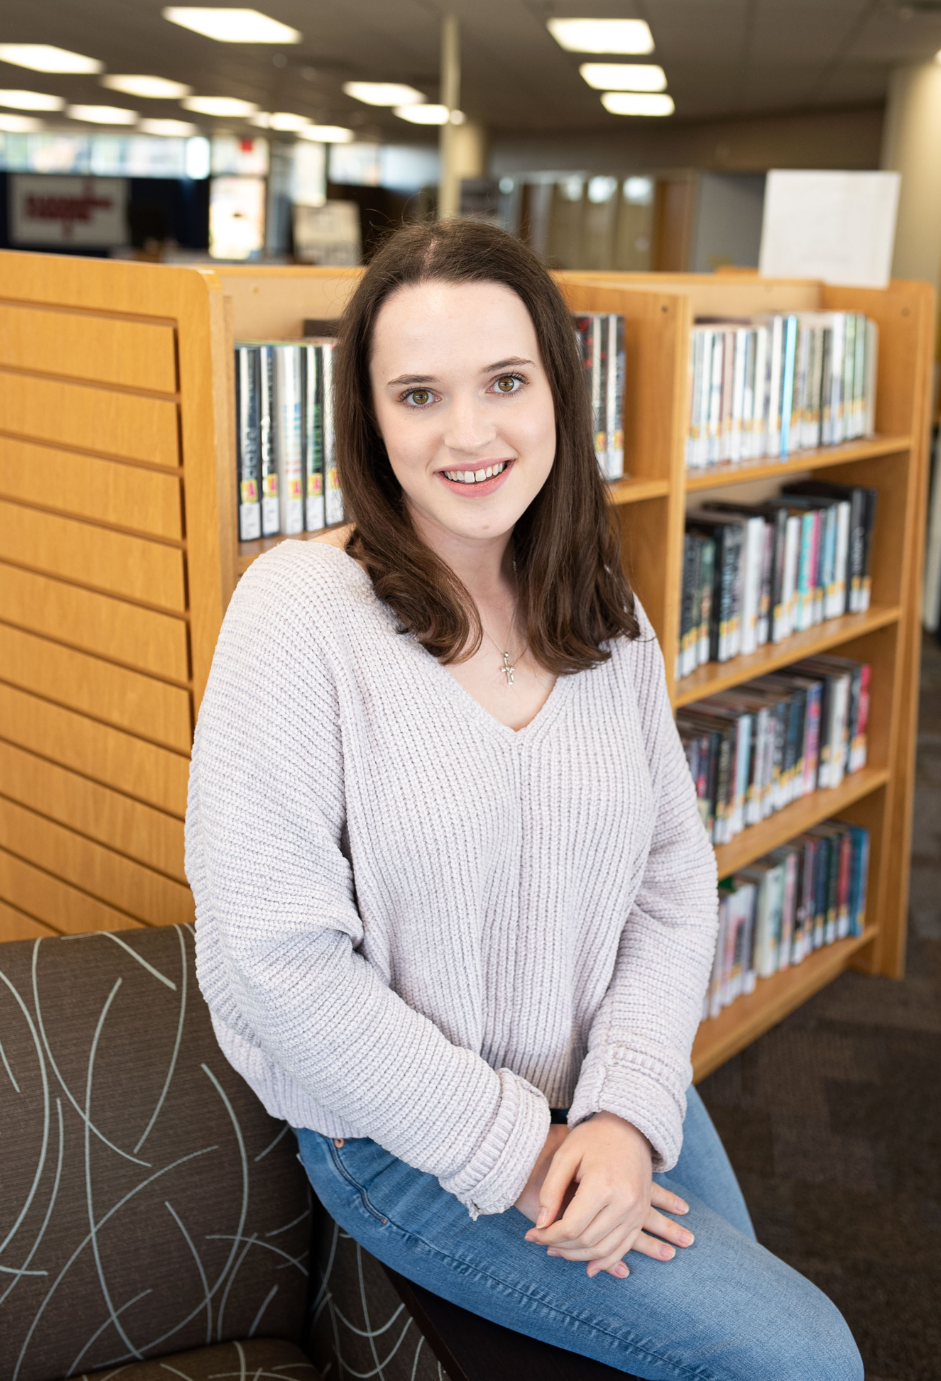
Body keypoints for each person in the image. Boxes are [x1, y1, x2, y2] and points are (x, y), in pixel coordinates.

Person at [186, 221, 863, 1379]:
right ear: (370, 419)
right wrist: (519, 1147)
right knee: (806, 1357)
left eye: (504, 381)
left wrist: (624, 1108)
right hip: (408, 1136)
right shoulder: (296, 611)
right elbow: (272, 957)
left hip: (603, 1073)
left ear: (556, 388)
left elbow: (668, 873)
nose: (468, 433)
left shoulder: (604, 608)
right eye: (417, 395)